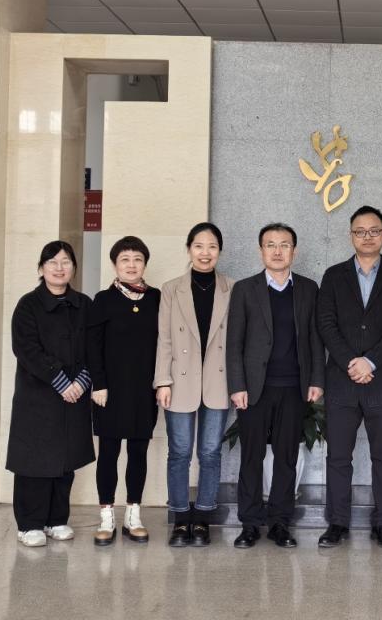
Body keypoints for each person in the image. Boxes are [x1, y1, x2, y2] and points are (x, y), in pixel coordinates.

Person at [315, 205, 382, 549]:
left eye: (374, 231)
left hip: (381, 382)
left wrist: (370, 361)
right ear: (351, 236)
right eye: (360, 231)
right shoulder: (333, 275)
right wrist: (351, 362)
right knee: (338, 457)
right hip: (342, 382)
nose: (367, 237)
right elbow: (326, 323)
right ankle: (337, 522)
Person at [227, 223, 325, 549]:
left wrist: (316, 379)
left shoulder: (308, 288)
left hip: (294, 386)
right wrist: (237, 385)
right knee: (251, 456)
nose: (278, 251)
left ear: (294, 251)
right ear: (261, 251)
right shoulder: (245, 289)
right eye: (271, 244)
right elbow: (234, 342)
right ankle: (250, 523)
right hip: (255, 388)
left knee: (286, 456)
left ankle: (280, 522)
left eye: (284, 245)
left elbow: (314, 338)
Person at [7, 240, 94, 547]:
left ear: (74, 268)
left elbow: (95, 348)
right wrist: (61, 381)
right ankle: (29, 524)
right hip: (38, 396)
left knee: (65, 460)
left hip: (75, 394)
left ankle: (56, 519)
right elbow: (26, 349)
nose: (59, 268)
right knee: (34, 461)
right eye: (52, 262)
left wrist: (81, 381)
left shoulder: (84, 305)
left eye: (66, 262)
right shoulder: (28, 305)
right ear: (41, 268)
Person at [154, 222, 233, 547]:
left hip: (218, 380)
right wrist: (162, 381)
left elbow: (237, 342)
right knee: (180, 452)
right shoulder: (171, 289)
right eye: (199, 246)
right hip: (180, 380)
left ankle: (202, 517)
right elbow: (164, 339)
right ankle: (179, 518)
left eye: (212, 246)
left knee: (210, 452)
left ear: (219, 251)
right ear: (189, 249)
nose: (205, 252)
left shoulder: (232, 288)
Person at [87, 236, 161, 546]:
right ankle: (107, 517)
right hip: (110, 391)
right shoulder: (103, 300)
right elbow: (92, 346)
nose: (131, 265)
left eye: (137, 259)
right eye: (125, 259)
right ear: (115, 264)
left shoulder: (156, 298)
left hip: (144, 390)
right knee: (108, 453)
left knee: (138, 453)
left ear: (145, 264)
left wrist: (162, 383)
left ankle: (133, 515)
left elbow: (165, 343)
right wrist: (98, 383)